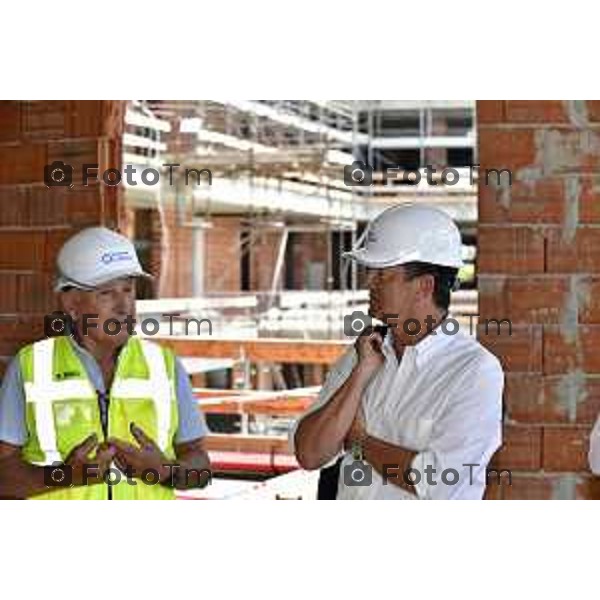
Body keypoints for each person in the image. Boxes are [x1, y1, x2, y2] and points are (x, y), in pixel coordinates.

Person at [292, 204, 504, 500]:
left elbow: (440, 482)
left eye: (383, 275)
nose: (370, 284)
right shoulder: (362, 355)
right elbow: (309, 454)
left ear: (424, 286)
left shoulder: (475, 371)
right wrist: (359, 376)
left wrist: (359, 443)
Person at [0, 227, 211, 499]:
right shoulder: (30, 366)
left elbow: (202, 470)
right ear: (71, 303)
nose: (124, 307)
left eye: (128, 289)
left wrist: (165, 471)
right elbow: (3, 478)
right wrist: (63, 476)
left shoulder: (165, 365)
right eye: (107, 294)